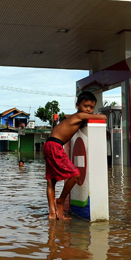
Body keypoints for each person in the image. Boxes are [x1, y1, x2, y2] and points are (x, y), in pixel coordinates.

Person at [44, 91, 106, 220]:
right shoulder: (79, 115)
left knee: (51, 180)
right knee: (75, 174)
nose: (88, 110)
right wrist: (98, 114)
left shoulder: (73, 116)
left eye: (91, 107)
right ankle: (60, 201)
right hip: (56, 146)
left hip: (49, 144)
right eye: (86, 106)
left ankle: (52, 213)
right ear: (78, 105)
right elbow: (103, 118)